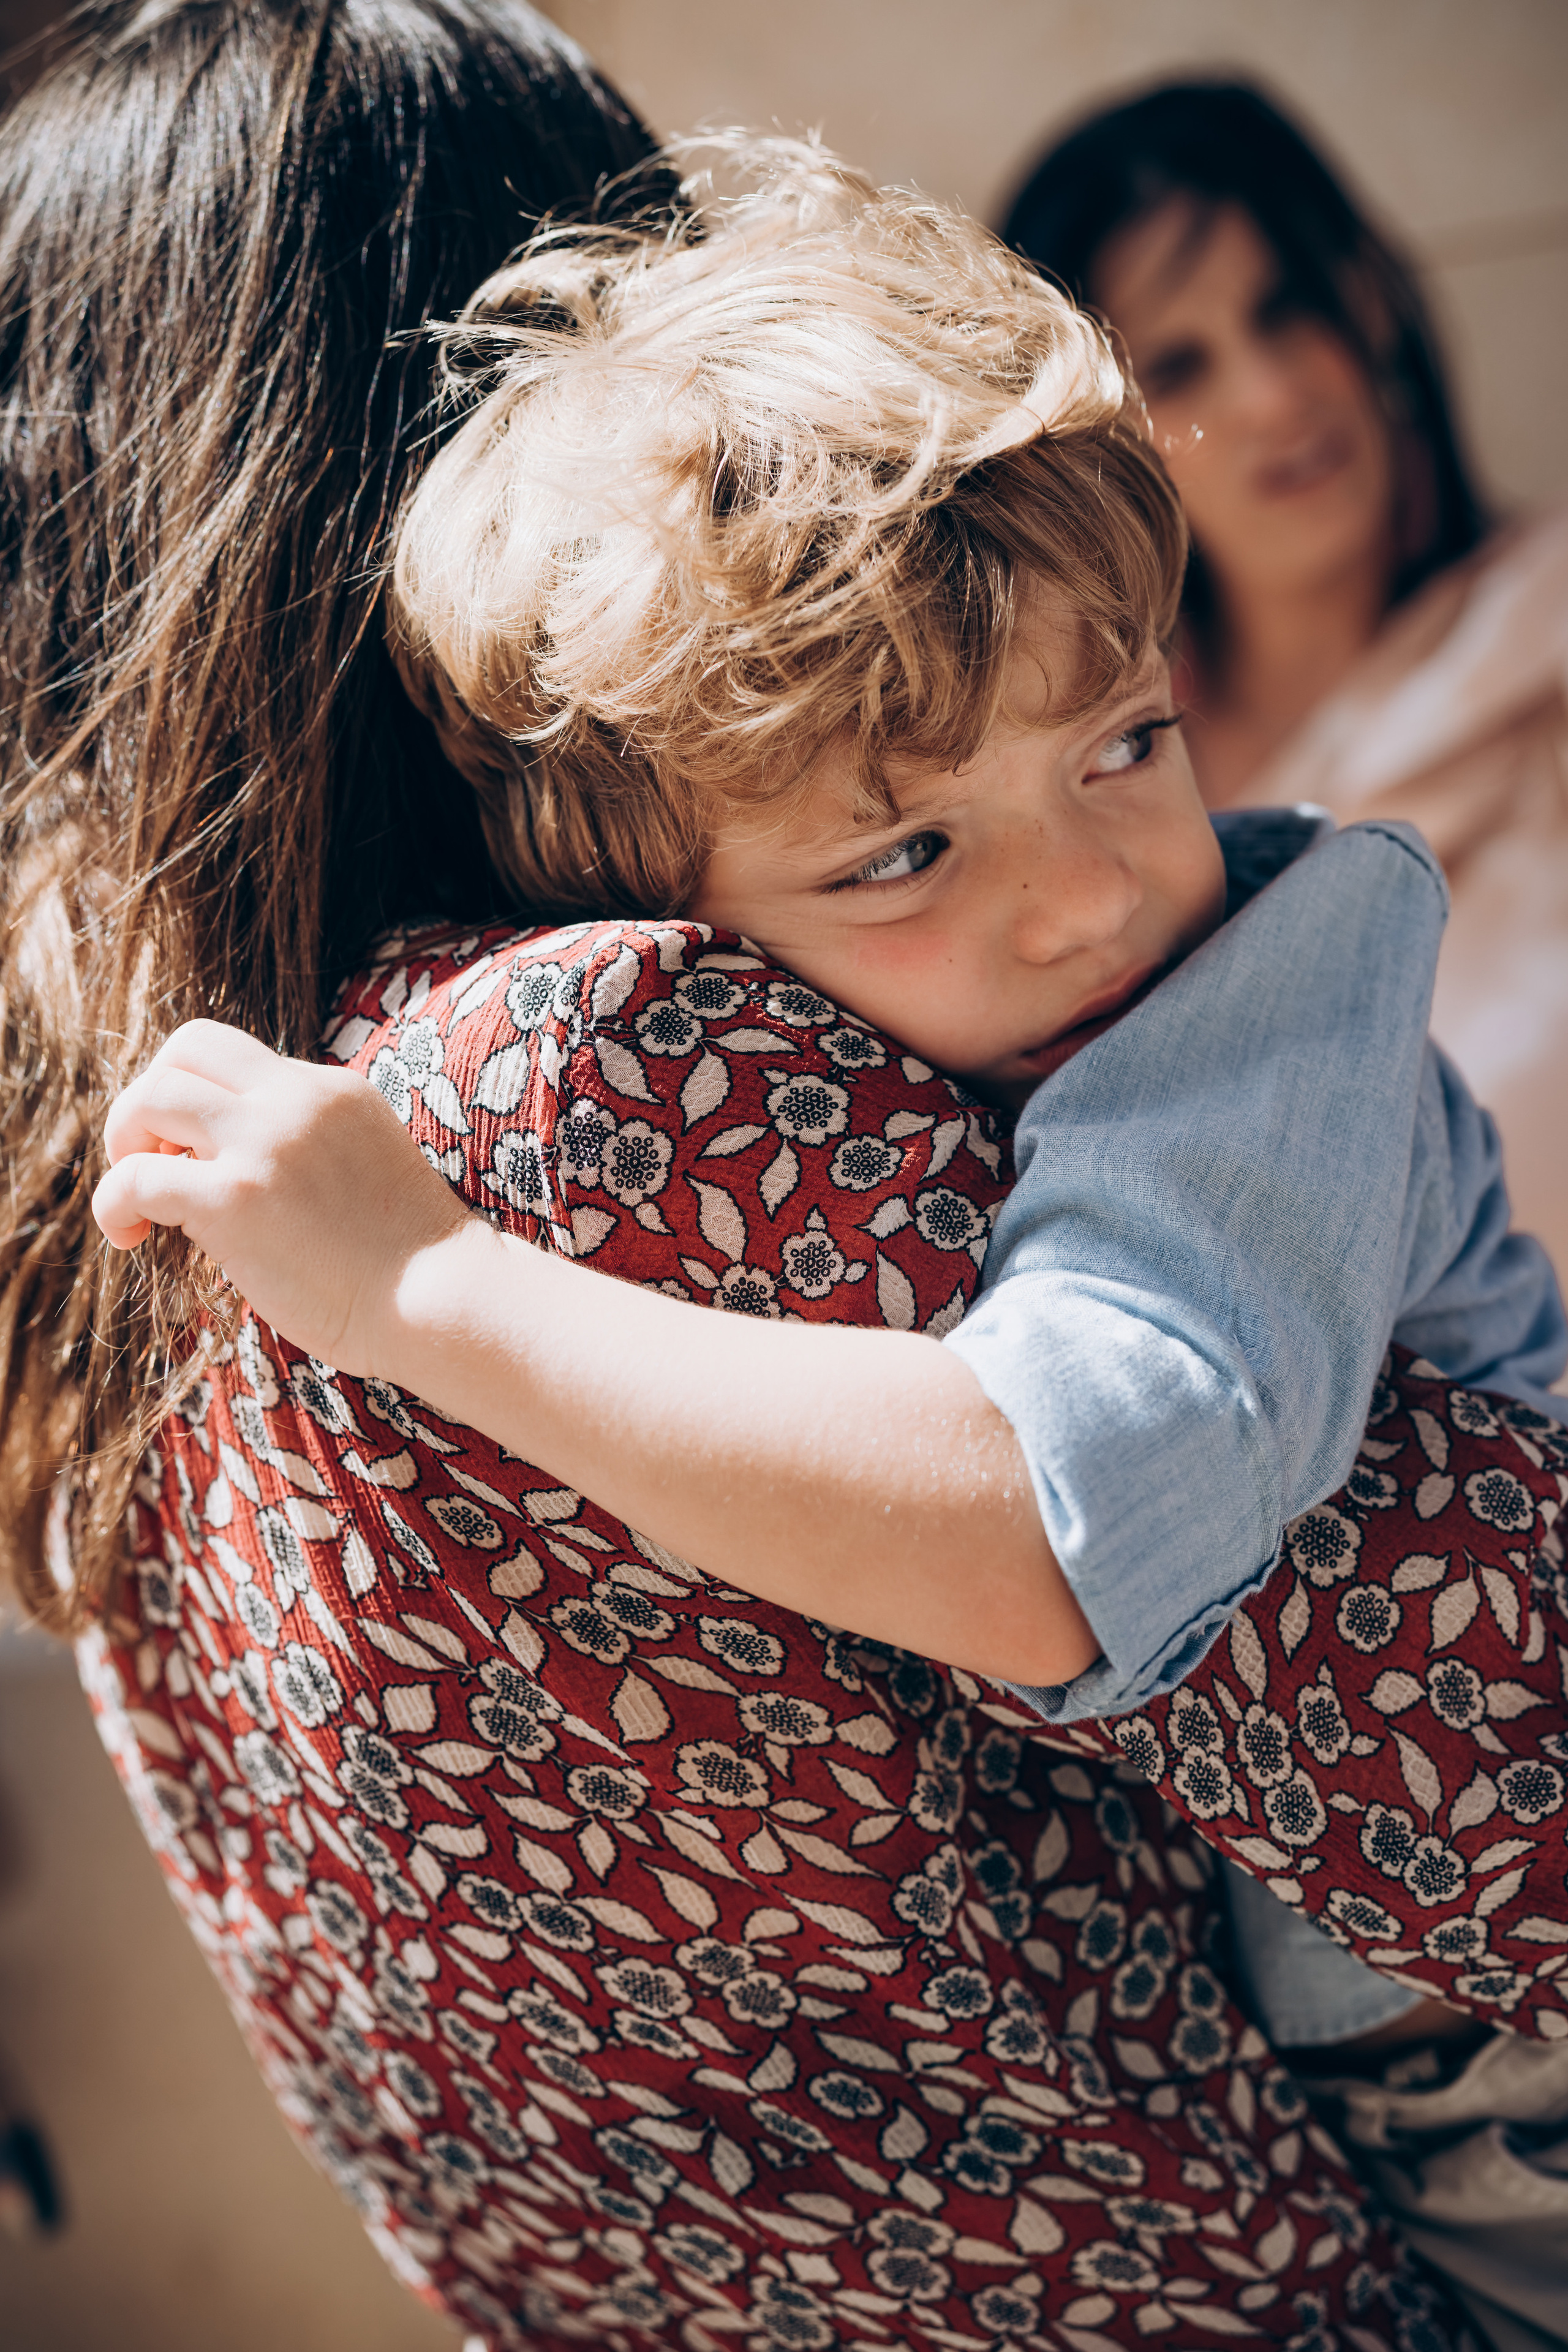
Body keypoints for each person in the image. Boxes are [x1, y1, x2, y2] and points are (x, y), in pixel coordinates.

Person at [0, 15, 1556, 2337]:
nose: (1086, 893)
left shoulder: (137, 1215)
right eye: (902, 843)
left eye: (1130, 735)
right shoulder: (602, 1068)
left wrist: (430, 1289)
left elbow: (1063, 1517)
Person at [1001, 79, 1568, 1274]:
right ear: (1093, 450)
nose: (1270, 396)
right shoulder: (1078, 809)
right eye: (1183, 366)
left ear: (1369, 305)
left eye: (1288, 306)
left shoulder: (1542, 640)